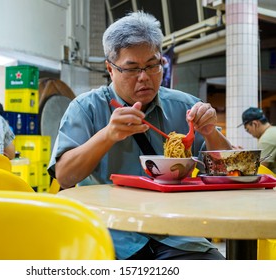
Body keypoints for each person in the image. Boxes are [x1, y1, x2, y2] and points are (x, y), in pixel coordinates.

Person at [48, 11, 232, 260]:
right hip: (109, 234)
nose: (144, 77)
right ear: (110, 69)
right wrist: (108, 135)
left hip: (177, 233)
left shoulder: (184, 106)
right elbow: (65, 176)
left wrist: (210, 134)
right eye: (132, 68)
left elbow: (231, 169)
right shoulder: (86, 108)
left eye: (152, 65)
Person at [238, 107, 276, 173]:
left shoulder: (266, 139)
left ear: (255, 124)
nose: (250, 133)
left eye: (247, 129)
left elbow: (259, 169)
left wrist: (240, 157)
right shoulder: (273, 130)